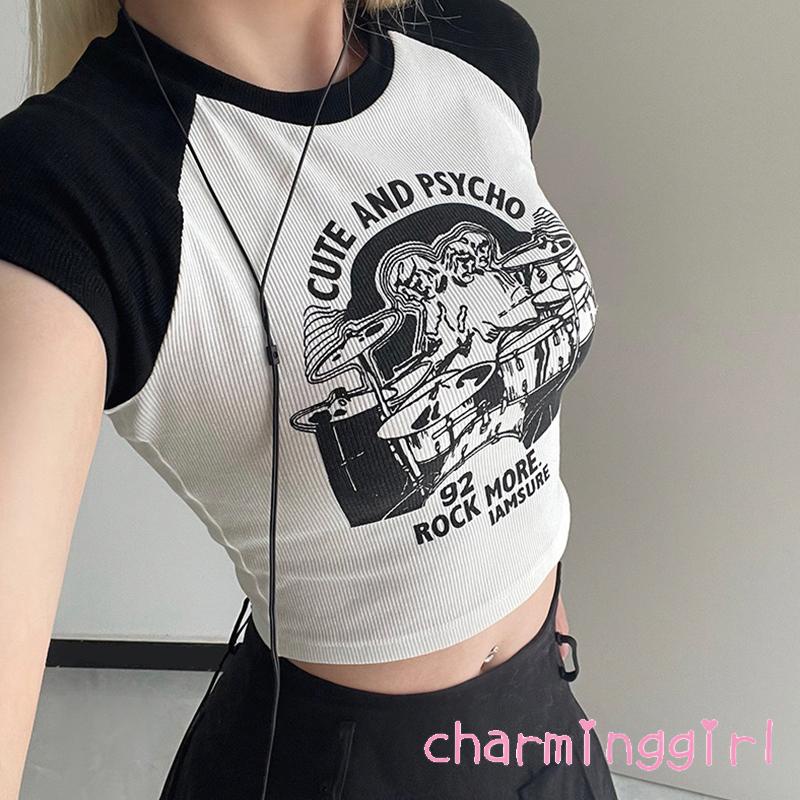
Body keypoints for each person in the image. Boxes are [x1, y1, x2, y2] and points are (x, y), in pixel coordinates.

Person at [0, 0, 616, 797]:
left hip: (545, 715)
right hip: (340, 766)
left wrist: (543, 598)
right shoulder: (68, 184)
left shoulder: (480, 46)